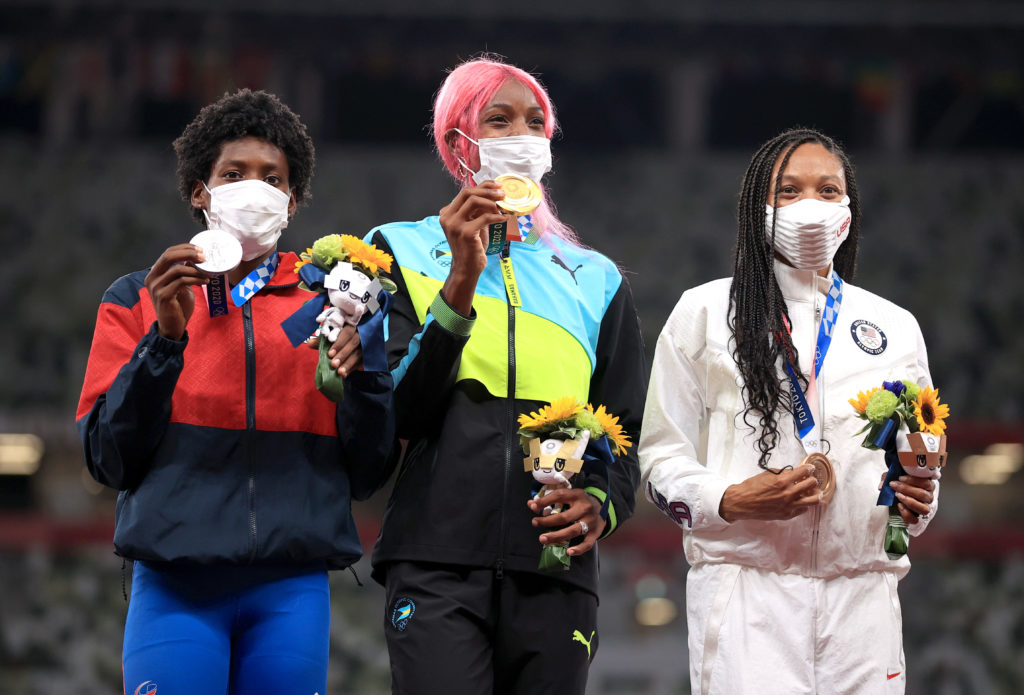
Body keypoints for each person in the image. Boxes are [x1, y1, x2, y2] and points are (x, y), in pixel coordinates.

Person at [75, 89, 394, 695]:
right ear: (202, 191)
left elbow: (368, 471)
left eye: (273, 178)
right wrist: (164, 343)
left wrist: (367, 379)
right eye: (233, 173)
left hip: (290, 589)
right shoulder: (136, 299)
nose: (255, 188)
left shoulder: (331, 303)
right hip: (174, 584)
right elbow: (105, 459)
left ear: (293, 200)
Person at [363, 57, 647, 695]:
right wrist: (459, 281)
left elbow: (626, 426)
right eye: (500, 119)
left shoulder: (596, 278)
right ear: (457, 140)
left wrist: (601, 504)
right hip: (436, 560)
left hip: (556, 566)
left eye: (536, 121)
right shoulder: (394, 250)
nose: (524, 134)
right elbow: (396, 413)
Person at [639, 127, 939, 694]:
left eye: (828, 190)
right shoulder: (704, 313)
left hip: (865, 597)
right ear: (759, 208)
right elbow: (658, 458)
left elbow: (920, 459)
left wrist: (920, 498)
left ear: (848, 211)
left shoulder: (895, 326)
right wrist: (725, 500)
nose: (811, 206)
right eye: (789, 190)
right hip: (748, 593)